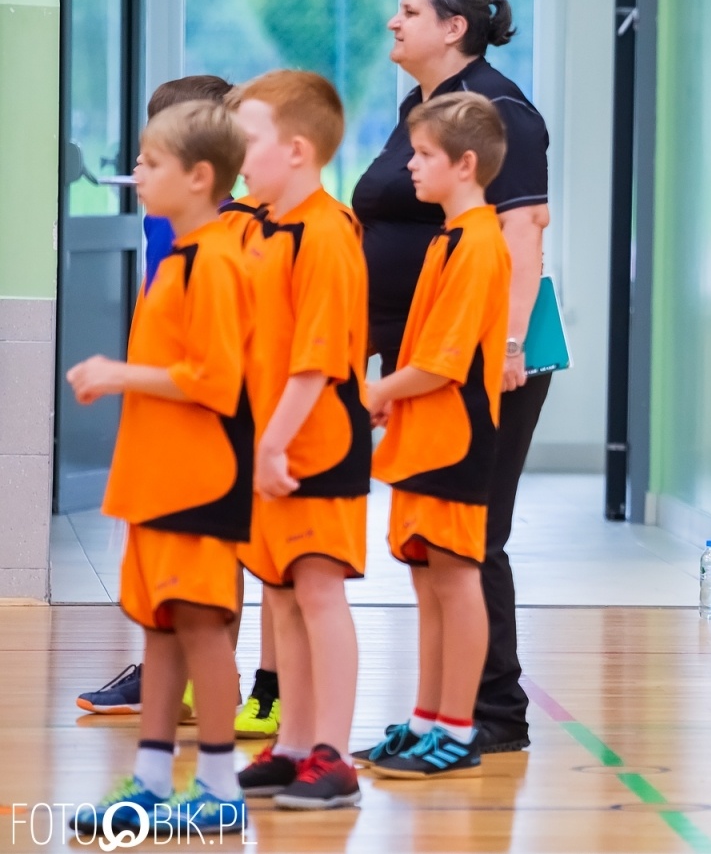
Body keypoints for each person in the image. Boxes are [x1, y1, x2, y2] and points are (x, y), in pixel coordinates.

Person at [352, 0, 550, 753]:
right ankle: (439, 713)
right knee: (436, 544)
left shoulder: (500, 112)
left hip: (477, 361)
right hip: (414, 351)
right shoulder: (419, 110)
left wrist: (507, 347)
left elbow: (525, 234)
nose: (393, 23)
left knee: (473, 539)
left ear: (454, 27)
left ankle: (492, 714)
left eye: (408, 12)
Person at [76, 74, 280, 742]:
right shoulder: (187, 249)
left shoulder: (221, 257)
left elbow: (216, 379)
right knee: (165, 627)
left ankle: (217, 785)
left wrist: (117, 373)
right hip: (165, 466)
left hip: (205, 468)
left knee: (200, 625)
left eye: (150, 160)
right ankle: (156, 778)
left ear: (198, 175)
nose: (134, 173)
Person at [358, 93, 512, 779]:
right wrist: (395, 401)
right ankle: (425, 719)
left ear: (466, 163)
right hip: (423, 434)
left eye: (423, 156)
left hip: (456, 436)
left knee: (456, 582)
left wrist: (378, 392)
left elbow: (445, 362)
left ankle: (458, 727)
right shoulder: (448, 237)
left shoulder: (480, 243)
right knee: (426, 584)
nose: (410, 169)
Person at [231, 71, 369, 811]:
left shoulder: (327, 231)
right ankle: (291, 748)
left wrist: (275, 445)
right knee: (280, 598)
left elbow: (315, 360)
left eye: (247, 140)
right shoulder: (259, 226)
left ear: (295, 149)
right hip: (270, 443)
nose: (236, 154)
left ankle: (334, 756)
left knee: (316, 595)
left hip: (314, 444)